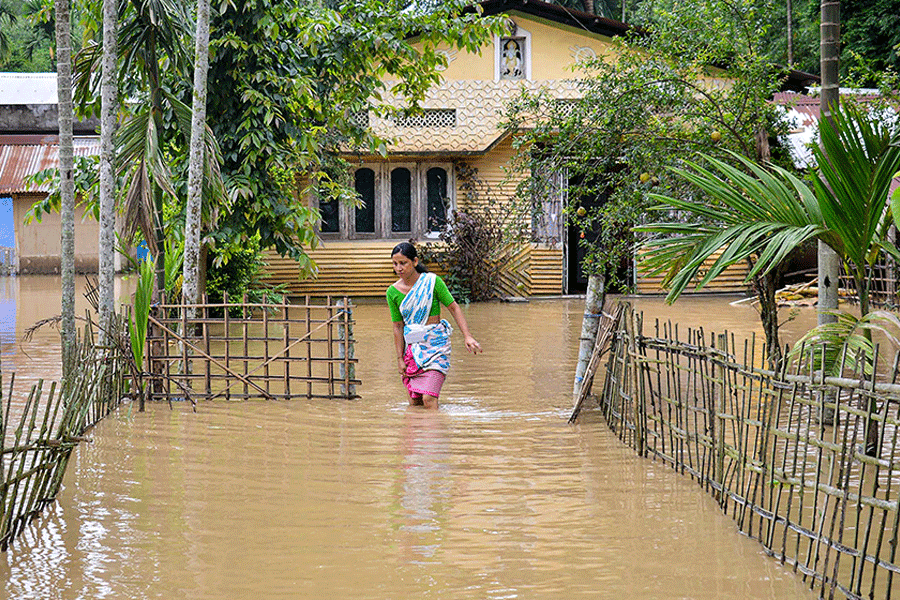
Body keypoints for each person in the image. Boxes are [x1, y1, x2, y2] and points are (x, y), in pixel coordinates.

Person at [386, 242, 481, 409]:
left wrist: (467, 336)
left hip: (436, 348)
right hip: (412, 351)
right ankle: (417, 433)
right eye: (395, 264)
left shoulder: (432, 282)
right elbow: (398, 327)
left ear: (415, 262)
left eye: (403, 263)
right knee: (415, 403)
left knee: (429, 400)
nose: (399, 268)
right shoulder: (392, 292)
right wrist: (399, 359)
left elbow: (453, 307)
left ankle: (434, 433)